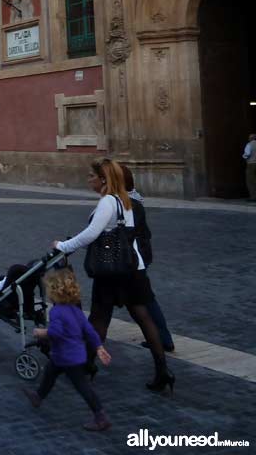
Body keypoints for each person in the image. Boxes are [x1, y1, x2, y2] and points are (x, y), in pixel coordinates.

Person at [52, 158, 174, 395]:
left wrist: (63, 246)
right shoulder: (126, 201)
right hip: (133, 269)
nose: (89, 180)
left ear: (104, 179)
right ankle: (163, 372)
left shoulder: (108, 201)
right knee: (143, 317)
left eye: (91, 176)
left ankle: (85, 367)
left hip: (112, 271)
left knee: (99, 319)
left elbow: (91, 234)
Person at [24, 269, 113, 432]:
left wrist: (41, 333)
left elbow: (56, 333)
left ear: (54, 293)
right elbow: (89, 331)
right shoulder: (76, 310)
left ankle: (101, 417)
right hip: (74, 355)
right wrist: (99, 347)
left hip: (67, 357)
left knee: (82, 387)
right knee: (50, 372)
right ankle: (38, 396)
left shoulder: (56, 312)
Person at [121, 166, 175, 354]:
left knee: (142, 301)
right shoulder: (132, 200)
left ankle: (162, 341)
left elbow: (125, 233)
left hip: (133, 259)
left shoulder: (128, 203)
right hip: (138, 256)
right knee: (142, 300)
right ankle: (162, 340)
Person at [245, 133, 256, 201]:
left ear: (250, 138)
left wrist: (244, 157)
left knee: (250, 181)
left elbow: (247, 154)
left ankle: (253, 197)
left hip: (251, 164)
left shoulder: (249, 145)